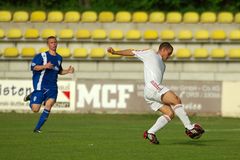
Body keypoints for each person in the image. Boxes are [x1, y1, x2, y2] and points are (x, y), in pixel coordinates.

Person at [107, 42, 204, 144]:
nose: (169, 56)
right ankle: (189, 127)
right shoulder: (150, 53)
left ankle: (150, 133)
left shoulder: (163, 65)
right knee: (176, 100)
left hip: (150, 93)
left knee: (170, 113)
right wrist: (115, 52)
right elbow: (132, 51)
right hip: (152, 86)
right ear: (164, 50)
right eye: (169, 53)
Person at [24, 36, 74, 133]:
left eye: (55, 42)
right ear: (48, 44)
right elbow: (34, 67)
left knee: (49, 105)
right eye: (51, 42)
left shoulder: (59, 58)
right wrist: (45, 66)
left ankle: (37, 128)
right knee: (35, 109)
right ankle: (31, 96)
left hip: (52, 87)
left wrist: (67, 71)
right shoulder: (42, 56)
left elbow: (59, 71)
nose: (54, 44)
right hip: (41, 86)